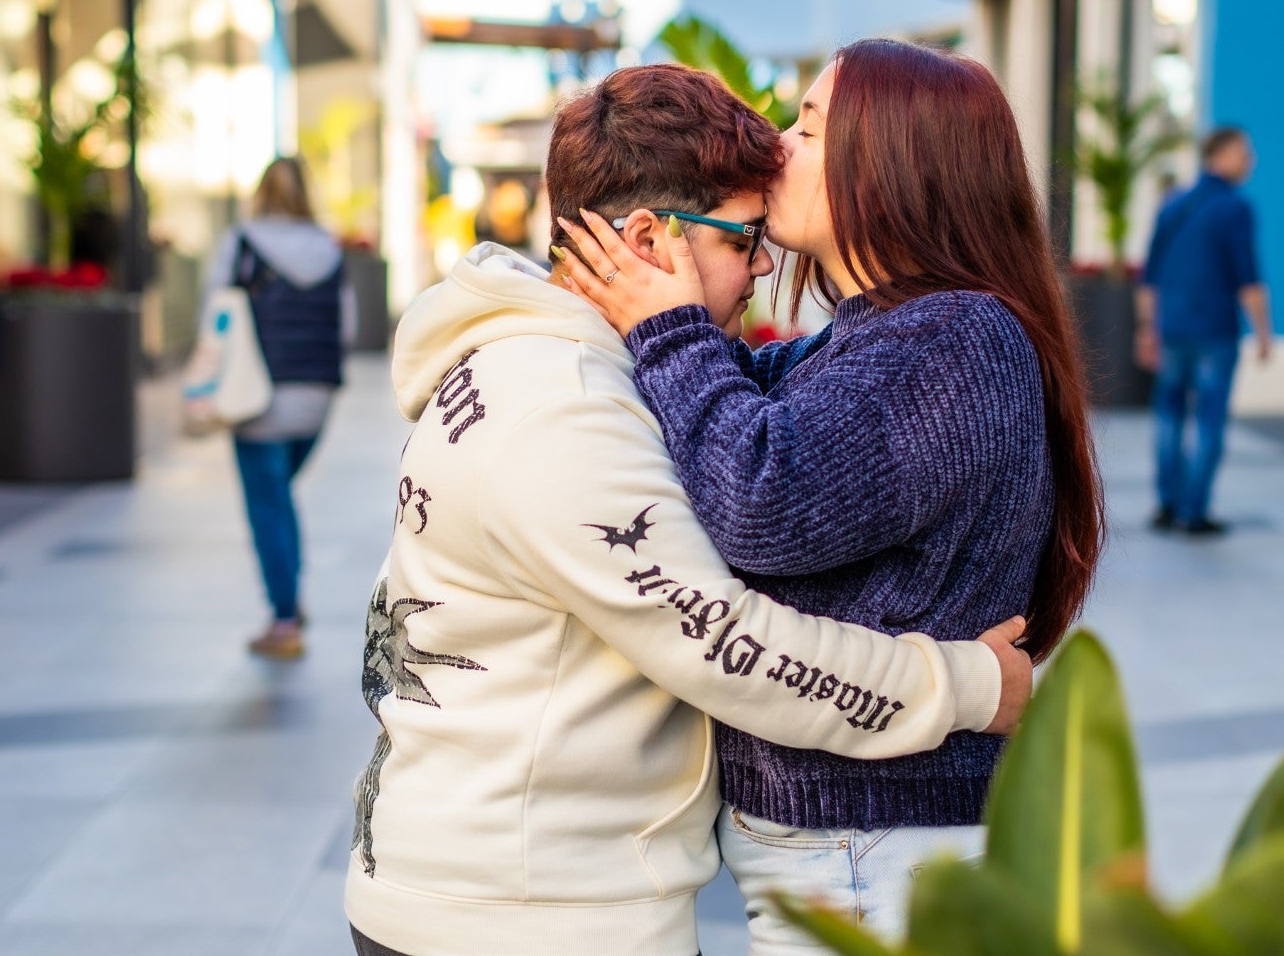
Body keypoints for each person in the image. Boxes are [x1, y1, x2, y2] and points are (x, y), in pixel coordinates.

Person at [346, 64, 1034, 956]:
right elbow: (727, 643)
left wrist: (673, 339)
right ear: (645, 238)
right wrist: (969, 685)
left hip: (515, 890)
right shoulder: (565, 404)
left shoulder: (553, 369)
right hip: (524, 913)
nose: (758, 266)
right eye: (744, 238)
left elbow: (780, 420)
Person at [558, 39, 1103, 955]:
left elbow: (762, 495)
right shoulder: (878, 337)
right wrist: (648, 301)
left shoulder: (954, 340)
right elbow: (739, 394)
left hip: (877, 849)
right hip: (856, 843)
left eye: (807, 127)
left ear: (892, 163)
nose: (776, 145)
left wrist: (666, 328)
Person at [202, 157, 353, 660]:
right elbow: (346, 327)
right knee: (279, 495)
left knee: (268, 505)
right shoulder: (329, 249)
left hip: (256, 396)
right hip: (316, 399)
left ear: (261, 192)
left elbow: (214, 317)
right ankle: (290, 593)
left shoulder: (241, 244)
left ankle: (285, 620)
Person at [1135, 126, 1271, 536]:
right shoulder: (1235, 208)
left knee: (1168, 415)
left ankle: (1166, 504)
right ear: (1223, 154)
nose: (1251, 161)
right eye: (1244, 153)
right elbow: (1247, 277)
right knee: (1209, 418)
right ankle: (1193, 513)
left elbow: (1150, 274)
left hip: (1172, 327)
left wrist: (1145, 328)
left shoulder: (1173, 205)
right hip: (1215, 329)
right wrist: (1263, 330)